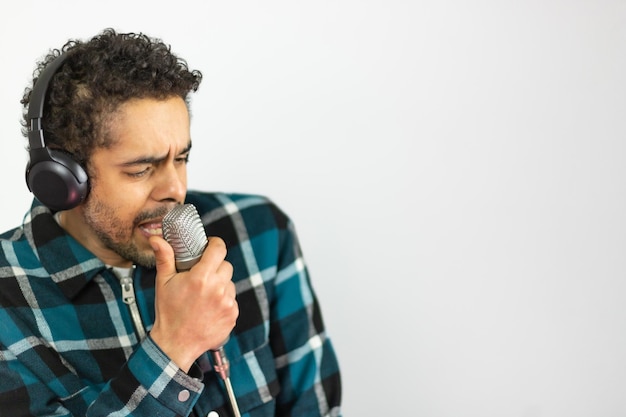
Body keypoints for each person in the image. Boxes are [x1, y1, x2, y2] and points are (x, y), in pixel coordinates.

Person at [0, 28, 342, 417]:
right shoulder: (7, 304)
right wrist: (172, 349)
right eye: (142, 169)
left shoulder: (260, 234)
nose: (176, 190)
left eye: (181, 159)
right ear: (65, 178)